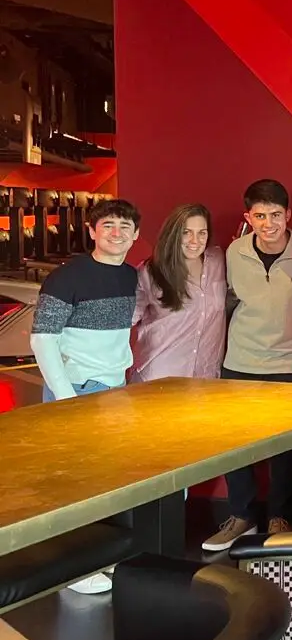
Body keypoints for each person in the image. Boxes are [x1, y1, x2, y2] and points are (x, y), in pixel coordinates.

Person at [31, 197, 141, 595]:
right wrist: (64, 395)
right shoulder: (67, 277)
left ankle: (96, 559)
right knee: (73, 484)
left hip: (111, 387)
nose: (116, 233)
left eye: (124, 227)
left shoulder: (130, 276)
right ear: (92, 231)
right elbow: (43, 338)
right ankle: (72, 570)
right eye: (107, 225)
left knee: (101, 481)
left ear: (136, 234)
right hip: (75, 389)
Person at [203, 179, 292, 552]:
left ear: (288, 215)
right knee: (236, 443)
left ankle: (279, 516)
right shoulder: (233, 252)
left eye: (276, 215)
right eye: (260, 215)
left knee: (284, 448)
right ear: (247, 217)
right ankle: (242, 514)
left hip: (290, 361)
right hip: (240, 361)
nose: (268, 223)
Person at [131, 203, 226, 383]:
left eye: (201, 233)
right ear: (174, 234)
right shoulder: (150, 272)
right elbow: (125, 320)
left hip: (206, 379)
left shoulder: (218, 262)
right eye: (186, 232)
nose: (194, 240)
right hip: (159, 376)